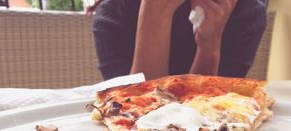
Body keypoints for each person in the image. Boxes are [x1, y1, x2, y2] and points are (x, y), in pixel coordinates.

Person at [92, 0, 269, 81]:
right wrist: (153, 17)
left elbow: (214, 113)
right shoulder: (113, 14)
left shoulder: (247, 13)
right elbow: (128, 114)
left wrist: (209, 45)